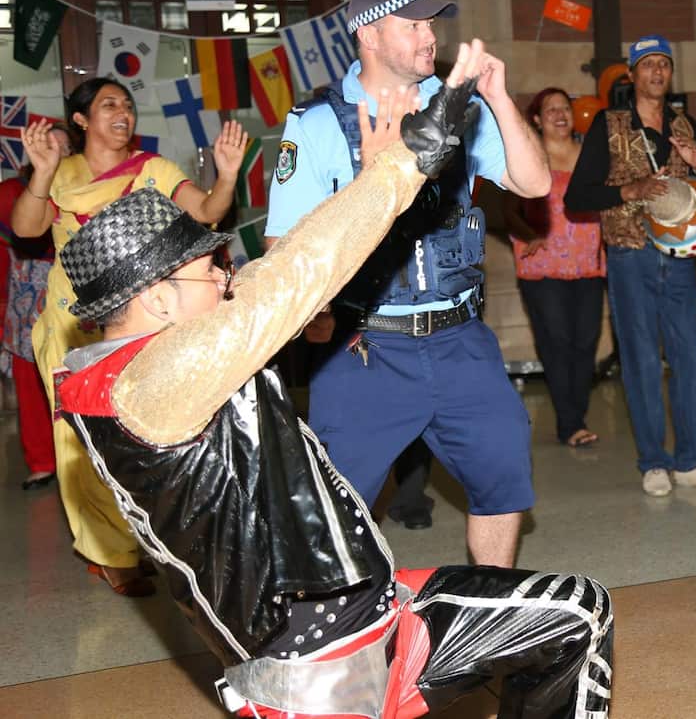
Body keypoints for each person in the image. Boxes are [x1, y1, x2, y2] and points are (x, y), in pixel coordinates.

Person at [55, 45, 613, 719]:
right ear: (158, 300)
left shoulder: (134, 364)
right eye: (208, 270)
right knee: (573, 615)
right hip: (326, 662)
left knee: (573, 614)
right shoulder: (158, 383)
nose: (225, 276)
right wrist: (400, 162)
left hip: (367, 608)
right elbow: (291, 280)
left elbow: (277, 270)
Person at [264, 0, 549, 567]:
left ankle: (486, 614)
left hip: (460, 338)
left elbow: (535, 183)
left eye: (431, 23)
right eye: (413, 24)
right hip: (364, 347)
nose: (430, 36)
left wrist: (497, 95)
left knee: (503, 479)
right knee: (337, 514)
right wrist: (372, 186)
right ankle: (344, 640)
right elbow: (282, 249)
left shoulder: (461, 114)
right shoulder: (318, 125)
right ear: (368, 34)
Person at [13, 79, 245, 596]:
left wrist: (226, 177)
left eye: (128, 105)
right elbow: (26, 229)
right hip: (70, 323)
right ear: (81, 120)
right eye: (109, 105)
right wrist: (43, 173)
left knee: (140, 431)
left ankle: (143, 535)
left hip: (138, 323)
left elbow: (206, 211)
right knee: (80, 440)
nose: (124, 113)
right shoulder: (62, 171)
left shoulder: (152, 169)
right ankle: (109, 552)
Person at [564, 34, 696, 496]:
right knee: (640, 359)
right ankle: (653, 462)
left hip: (680, 257)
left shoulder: (685, 125)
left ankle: (692, 461)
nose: (657, 72)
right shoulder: (609, 123)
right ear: (632, 73)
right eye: (648, 65)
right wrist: (629, 190)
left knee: (687, 357)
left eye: (664, 64)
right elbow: (577, 196)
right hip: (630, 254)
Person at [505, 87, 605, 448]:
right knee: (557, 341)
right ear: (536, 119)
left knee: (585, 342)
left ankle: (574, 414)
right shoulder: (530, 157)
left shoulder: (591, 156)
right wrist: (529, 233)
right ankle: (571, 422)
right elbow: (508, 210)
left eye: (566, 108)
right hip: (542, 266)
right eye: (551, 110)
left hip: (589, 264)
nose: (561, 114)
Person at [0, 123, 71, 489]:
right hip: (26, 304)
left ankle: (84, 464)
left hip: (72, 304)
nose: (55, 153)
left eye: (63, 147)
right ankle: (42, 461)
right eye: (48, 146)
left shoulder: (83, 191)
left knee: (74, 383)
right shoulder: (15, 192)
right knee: (30, 385)